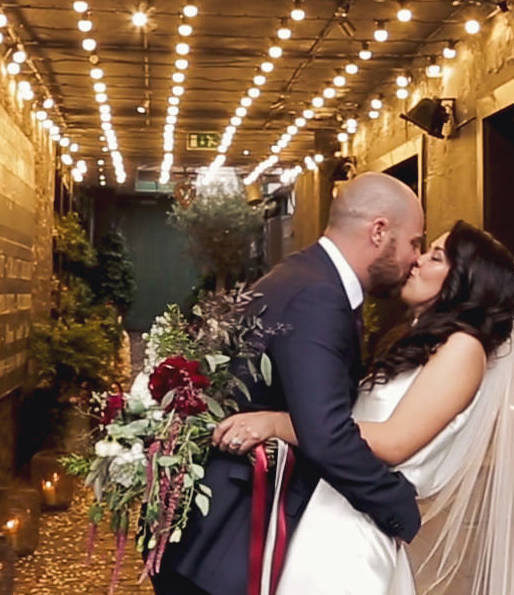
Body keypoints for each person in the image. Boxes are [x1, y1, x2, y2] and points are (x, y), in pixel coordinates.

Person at [213, 220, 514, 595]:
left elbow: (393, 442)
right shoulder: (416, 340)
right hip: (333, 512)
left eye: (436, 256)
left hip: (353, 532)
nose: (418, 260)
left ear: (466, 281)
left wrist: (277, 423)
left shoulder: (464, 348)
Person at [153, 173, 428, 595]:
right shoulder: (319, 296)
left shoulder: (303, 274)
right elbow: (326, 434)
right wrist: (399, 506)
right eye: (414, 242)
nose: (416, 257)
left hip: (216, 532)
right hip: (229, 541)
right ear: (379, 231)